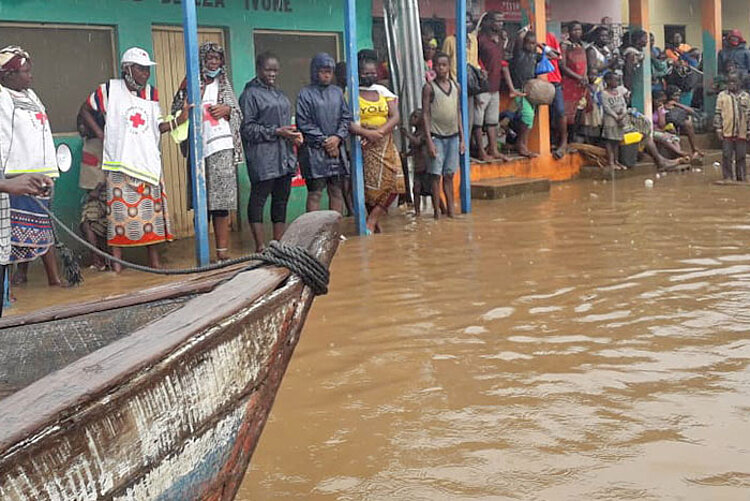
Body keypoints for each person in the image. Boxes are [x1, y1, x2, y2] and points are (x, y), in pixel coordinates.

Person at [80, 47, 185, 272]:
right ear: (127, 69)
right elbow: (85, 109)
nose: (145, 74)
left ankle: (154, 263)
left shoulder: (151, 94)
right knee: (119, 220)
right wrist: (101, 134)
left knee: (150, 218)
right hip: (120, 165)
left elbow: (158, 126)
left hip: (146, 165)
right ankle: (117, 266)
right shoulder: (109, 90)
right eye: (140, 69)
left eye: (147, 70)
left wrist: (180, 119)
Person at [171, 42, 242, 261]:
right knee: (202, 204)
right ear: (202, 59)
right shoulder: (189, 82)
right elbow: (175, 114)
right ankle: (202, 255)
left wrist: (227, 110)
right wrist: (195, 97)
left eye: (217, 58)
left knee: (221, 203)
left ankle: (222, 254)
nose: (213, 62)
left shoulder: (224, 83)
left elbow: (239, 113)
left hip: (222, 149)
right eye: (209, 58)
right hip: (199, 151)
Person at [0, 46, 63, 287]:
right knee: (12, 234)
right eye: (25, 72)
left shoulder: (30, 95)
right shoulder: (2, 96)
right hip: (15, 176)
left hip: (40, 172)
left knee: (42, 227)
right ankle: (8, 289)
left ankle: (50, 279)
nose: (30, 76)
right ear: (8, 76)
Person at [240, 52, 302, 252]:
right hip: (262, 156)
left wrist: (293, 135)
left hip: (283, 155)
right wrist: (276, 131)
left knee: (281, 198)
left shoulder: (279, 93)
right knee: (259, 199)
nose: (272, 74)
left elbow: (284, 123)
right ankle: (260, 246)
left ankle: (278, 243)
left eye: (275, 70)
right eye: (268, 70)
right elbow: (247, 129)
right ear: (259, 69)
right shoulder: (250, 94)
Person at [349, 52, 405, 232]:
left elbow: (395, 116)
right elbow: (347, 120)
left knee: (396, 184)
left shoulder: (383, 91)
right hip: (364, 145)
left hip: (385, 142)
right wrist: (367, 133)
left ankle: (372, 220)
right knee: (369, 188)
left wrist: (379, 132)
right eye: (365, 73)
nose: (370, 76)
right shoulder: (350, 92)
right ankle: (371, 223)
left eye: (373, 72)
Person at [296, 53, 351, 214]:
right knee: (315, 193)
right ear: (315, 71)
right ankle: (314, 233)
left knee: (336, 192)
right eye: (323, 71)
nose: (327, 75)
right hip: (314, 152)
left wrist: (338, 137)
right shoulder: (305, 93)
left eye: (330, 71)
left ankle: (334, 230)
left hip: (336, 150)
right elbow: (303, 123)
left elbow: (345, 117)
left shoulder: (337, 92)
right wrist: (326, 141)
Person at [421, 52, 465, 219]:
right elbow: (425, 114)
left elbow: (458, 112)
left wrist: (462, 138)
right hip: (436, 137)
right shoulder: (429, 88)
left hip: (453, 137)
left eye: (444, 65)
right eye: (438, 65)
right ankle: (437, 212)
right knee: (435, 176)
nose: (441, 68)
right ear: (434, 67)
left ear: (448, 66)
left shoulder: (456, 87)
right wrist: (429, 142)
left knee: (449, 174)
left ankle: (451, 212)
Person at [474, 11, 510, 161]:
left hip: (495, 86)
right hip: (482, 87)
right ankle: (481, 152)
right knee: (477, 122)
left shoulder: (500, 40)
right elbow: (474, 60)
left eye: (502, 21)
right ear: (489, 22)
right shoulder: (480, 39)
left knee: (492, 121)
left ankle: (493, 149)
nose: (500, 24)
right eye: (497, 21)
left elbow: (502, 62)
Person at [77, 110, 108, 271]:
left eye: (84, 124)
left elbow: (105, 169)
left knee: (87, 224)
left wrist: (97, 189)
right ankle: (101, 259)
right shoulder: (89, 142)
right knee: (92, 226)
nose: (81, 127)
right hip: (93, 192)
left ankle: (98, 260)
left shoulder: (101, 144)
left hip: (100, 192)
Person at [506, 27, 541, 158]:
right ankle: (521, 145)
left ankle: (523, 144)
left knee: (529, 118)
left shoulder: (534, 55)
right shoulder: (518, 53)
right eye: (529, 43)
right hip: (519, 90)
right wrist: (525, 30)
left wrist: (542, 47)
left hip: (531, 91)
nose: (531, 46)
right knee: (528, 115)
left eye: (533, 43)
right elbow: (518, 39)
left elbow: (555, 55)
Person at [403, 109, 445, 217]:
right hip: (418, 168)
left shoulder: (425, 133)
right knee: (416, 189)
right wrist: (406, 155)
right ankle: (417, 213)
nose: (412, 119)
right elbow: (414, 149)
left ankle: (442, 210)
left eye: (415, 117)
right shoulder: (415, 133)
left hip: (427, 166)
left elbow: (417, 143)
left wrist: (406, 134)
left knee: (432, 191)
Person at [714, 72, 750, 181]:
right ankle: (728, 177)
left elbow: (749, 115)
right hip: (727, 130)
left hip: (742, 132)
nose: (731, 84)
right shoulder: (722, 96)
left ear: (740, 82)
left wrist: (749, 130)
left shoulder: (746, 97)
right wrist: (718, 128)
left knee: (741, 156)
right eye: (729, 82)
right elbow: (718, 113)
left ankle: (741, 177)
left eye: (734, 81)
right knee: (726, 155)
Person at [561, 22, 589, 141]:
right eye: (574, 30)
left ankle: (574, 136)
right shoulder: (564, 46)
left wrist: (585, 76)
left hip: (581, 83)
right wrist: (578, 77)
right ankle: (565, 138)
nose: (577, 32)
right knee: (568, 112)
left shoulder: (581, 45)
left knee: (580, 109)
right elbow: (563, 66)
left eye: (579, 30)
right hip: (569, 83)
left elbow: (585, 63)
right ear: (569, 32)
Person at [662, 85, 703, 159]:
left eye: (678, 95)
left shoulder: (677, 105)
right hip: (667, 128)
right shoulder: (663, 105)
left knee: (688, 123)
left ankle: (695, 149)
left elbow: (691, 111)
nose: (677, 97)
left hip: (678, 127)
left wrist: (677, 104)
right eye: (675, 95)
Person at [546, 30, 567, 158]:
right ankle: (550, 141)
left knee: (560, 111)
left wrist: (544, 50)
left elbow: (558, 56)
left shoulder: (550, 36)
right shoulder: (527, 36)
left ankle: (563, 142)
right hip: (538, 80)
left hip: (554, 79)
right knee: (544, 114)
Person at [600, 72, 628, 170]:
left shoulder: (619, 91)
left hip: (620, 119)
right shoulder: (604, 93)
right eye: (614, 80)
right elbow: (606, 107)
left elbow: (624, 104)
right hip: (610, 119)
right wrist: (616, 116)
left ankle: (616, 161)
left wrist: (623, 114)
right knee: (609, 141)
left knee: (617, 141)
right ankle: (610, 162)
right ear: (607, 81)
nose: (616, 82)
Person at [443, 13, 479, 80]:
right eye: (462, 21)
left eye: (467, 22)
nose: (464, 24)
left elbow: (475, 61)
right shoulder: (449, 41)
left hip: (472, 81)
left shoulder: (473, 39)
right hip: (455, 80)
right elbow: (444, 62)